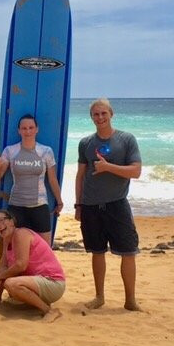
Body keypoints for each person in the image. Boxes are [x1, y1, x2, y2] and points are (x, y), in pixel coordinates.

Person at [74, 98, 142, 311]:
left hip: (117, 204)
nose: (100, 118)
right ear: (91, 117)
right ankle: (99, 296)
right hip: (91, 205)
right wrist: (78, 205)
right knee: (97, 251)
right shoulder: (85, 143)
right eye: (96, 114)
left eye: (103, 113)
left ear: (111, 114)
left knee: (129, 252)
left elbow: (136, 171)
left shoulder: (126, 139)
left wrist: (108, 167)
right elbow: (80, 176)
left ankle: (130, 300)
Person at [0, 114, 64, 245]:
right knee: (16, 248)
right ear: (19, 130)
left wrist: (59, 201)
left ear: (37, 129)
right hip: (16, 207)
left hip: (39, 206)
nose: (28, 131)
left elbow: (52, 179)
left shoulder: (46, 151)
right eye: (24, 128)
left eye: (31, 127)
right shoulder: (10, 151)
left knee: (44, 249)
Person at [0, 209, 65, 322]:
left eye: (2, 220)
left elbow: (21, 265)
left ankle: (49, 311)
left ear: (12, 222)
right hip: (38, 281)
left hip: (53, 282)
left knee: (11, 284)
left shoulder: (20, 234)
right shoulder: (6, 240)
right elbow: (2, 268)